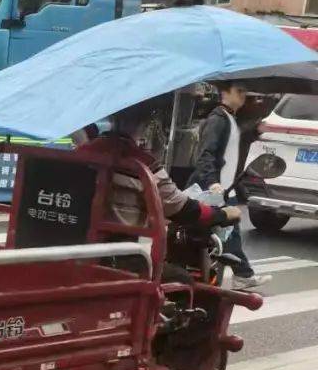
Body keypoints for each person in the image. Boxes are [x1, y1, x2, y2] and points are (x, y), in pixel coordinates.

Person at [75, 102, 240, 241]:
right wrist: (222, 214)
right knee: (179, 279)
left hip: (75, 239)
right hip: (117, 254)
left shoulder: (82, 153)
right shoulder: (143, 164)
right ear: (147, 122)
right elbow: (181, 208)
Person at [186, 82, 270, 289]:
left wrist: (254, 133)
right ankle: (240, 274)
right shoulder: (218, 119)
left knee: (228, 233)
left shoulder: (229, 118)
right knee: (223, 233)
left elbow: (232, 148)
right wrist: (212, 182)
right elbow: (205, 154)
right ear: (224, 92)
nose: (243, 96)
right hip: (215, 188)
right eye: (239, 91)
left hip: (224, 188)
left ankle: (238, 274)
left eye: (244, 91)